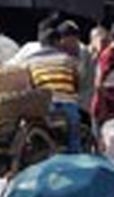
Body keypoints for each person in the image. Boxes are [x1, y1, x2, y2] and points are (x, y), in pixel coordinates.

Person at [21, 20, 85, 152]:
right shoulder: (68, 59)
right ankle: (75, 154)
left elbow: (29, 85)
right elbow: (77, 82)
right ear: (57, 42)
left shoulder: (29, 61)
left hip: (43, 106)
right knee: (74, 134)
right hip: (67, 103)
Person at [91, 23, 114, 126]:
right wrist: (103, 108)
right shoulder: (110, 54)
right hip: (105, 107)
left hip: (113, 105)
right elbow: (99, 84)